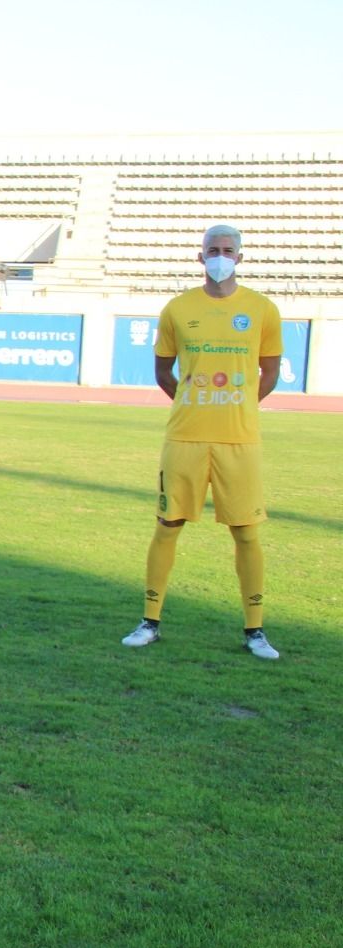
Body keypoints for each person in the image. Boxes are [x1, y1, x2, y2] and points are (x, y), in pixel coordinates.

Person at [120, 225, 283, 659]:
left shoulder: (262, 310)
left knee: (245, 532)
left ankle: (255, 631)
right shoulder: (178, 308)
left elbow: (270, 371)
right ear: (201, 256)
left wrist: (239, 406)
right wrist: (192, 402)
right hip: (185, 437)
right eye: (213, 249)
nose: (220, 256)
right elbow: (163, 371)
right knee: (168, 525)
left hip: (239, 440)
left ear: (240, 258)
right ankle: (149, 622)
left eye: (228, 250)